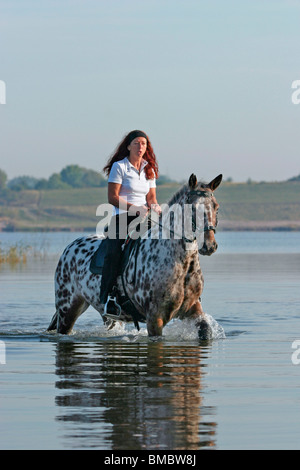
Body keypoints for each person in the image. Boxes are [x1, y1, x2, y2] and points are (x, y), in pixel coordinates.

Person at [100, 130, 161, 316]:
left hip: (145, 217)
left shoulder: (149, 169)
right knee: (113, 253)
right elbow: (112, 198)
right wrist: (135, 208)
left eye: (144, 143)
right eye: (136, 143)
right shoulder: (120, 167)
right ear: (128, 146)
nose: (140, 146)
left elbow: (151, 197)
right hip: (123, 217)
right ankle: (109, 297)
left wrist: (156, 206)